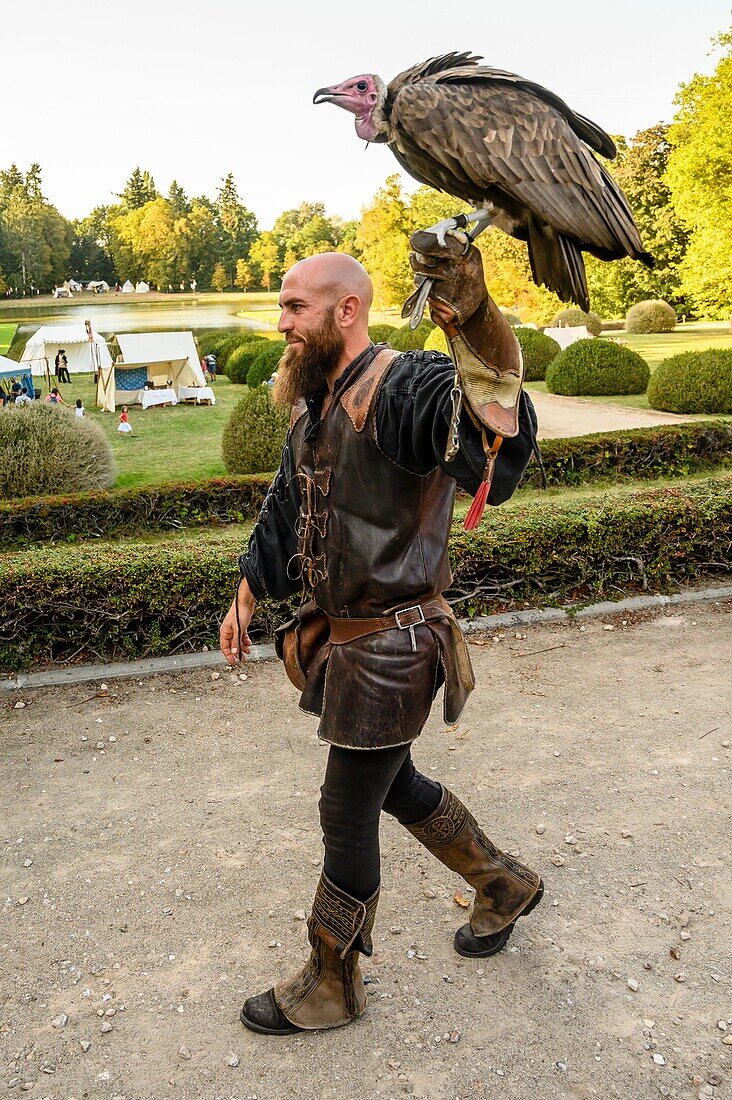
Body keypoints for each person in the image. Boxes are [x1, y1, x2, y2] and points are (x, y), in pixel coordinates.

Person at [220, 238, 543, 1038]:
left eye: (296, 306)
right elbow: (287, 503)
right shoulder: (315, 398)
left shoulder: (407, 386)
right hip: (346, 643)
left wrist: (473, 320)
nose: (283, 321)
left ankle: (333, 981)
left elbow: (491, 431)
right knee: (389, 784)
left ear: (347, 309)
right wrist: (250, 590)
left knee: (345, 807)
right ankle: (500, 882)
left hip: (395, 647)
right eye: (283, 306)